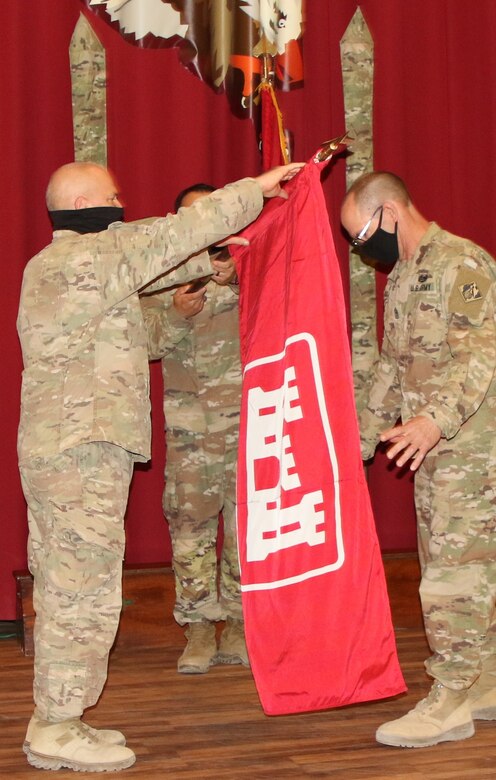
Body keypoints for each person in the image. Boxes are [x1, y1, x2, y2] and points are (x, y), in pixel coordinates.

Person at [17, 159, 304, 773]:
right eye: (114, 196)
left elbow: (167, 266)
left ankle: (60, 716)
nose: (122, 203)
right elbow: (170, 237)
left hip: (73, 448)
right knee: (81, 591)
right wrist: (256, 189)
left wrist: (223, 260)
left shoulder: (76, 267)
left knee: (73, 586)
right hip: (79, 450)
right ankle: (57, 725)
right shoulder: (83, 258)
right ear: (86, 201)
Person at [341, 171, 496, 749]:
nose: (362, 252)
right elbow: (391, 368)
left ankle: (450, 697)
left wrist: (434, 420)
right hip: (434, 454)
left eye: (360, 238)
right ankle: (483, 681)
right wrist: (354, 441)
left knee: (453, 575)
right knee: (468, 567)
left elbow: (478, 355)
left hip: (469, 450)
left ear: (390, 213)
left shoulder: (464, 264)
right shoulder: (404, 276)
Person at [141, 183, 247, 675]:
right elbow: (146, 345)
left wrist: (240, 279)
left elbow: (289, 317)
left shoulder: (252, 262)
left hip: (251, 420)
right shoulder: (158, 276)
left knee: (247, 527)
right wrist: (179, 316)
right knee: (189, 526)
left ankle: (243, 624)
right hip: (190, 428)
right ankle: (200, 626)